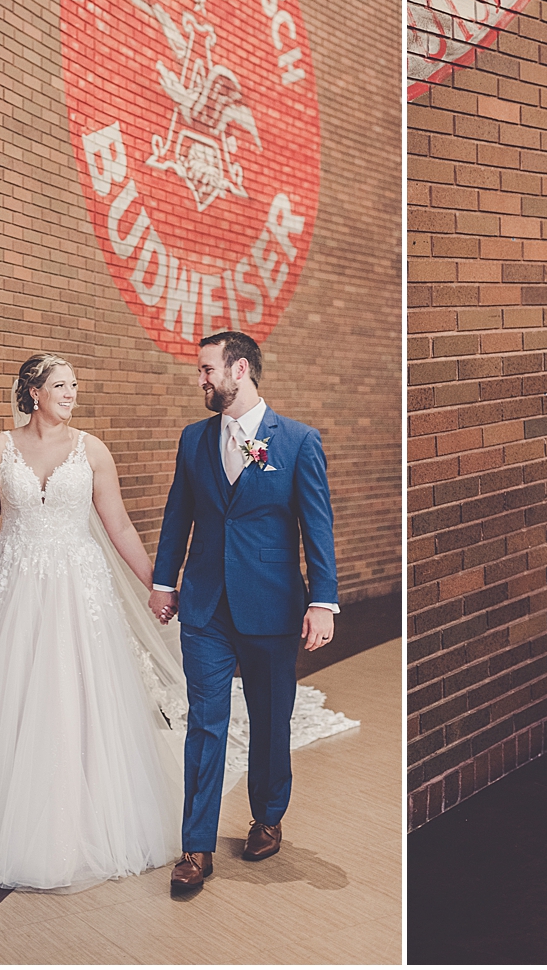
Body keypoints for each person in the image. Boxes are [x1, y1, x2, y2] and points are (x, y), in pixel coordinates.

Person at [0, 353, 183, 891]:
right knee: (11, 695)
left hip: (77, 587)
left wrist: (154, 584)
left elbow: (117, 525)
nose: (71, 393)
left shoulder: (93, 451)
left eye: (74, 385)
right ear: (34, 392)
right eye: (61, 385)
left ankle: (80, 815)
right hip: (14, 587)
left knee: (75, 693)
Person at [149, 330, 340, 894]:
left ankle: (267, 817)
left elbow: (317, 528)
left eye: (207, 369)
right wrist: (164, 582)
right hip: (205, 607)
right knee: (204, 724)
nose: (200, 380)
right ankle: (196, 847)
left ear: (239, 370)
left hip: (273, 606)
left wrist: (323, 601)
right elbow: (176, 516)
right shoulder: (193, 440)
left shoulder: (298, 441)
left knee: (269, 719)